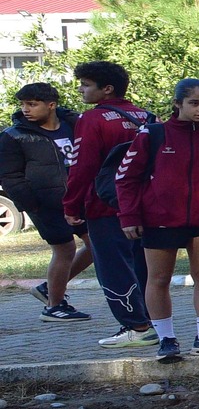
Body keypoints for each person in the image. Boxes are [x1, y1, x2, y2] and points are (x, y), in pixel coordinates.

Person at [117, 77, 199, 363]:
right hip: (158, 219)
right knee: (158, 279)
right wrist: (129, 215)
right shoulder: (153, 134)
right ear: (177, 104)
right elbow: (126, 178)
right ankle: (166, 339)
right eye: (194, 103)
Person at [62, 61, 156, 346]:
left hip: (104, 206)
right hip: (143, 204)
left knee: (113, 266)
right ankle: (154, 324)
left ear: (107, 89)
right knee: (144, 265)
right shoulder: (147, 116)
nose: (81, 89)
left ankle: (137, 327)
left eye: (86, 84)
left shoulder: (92, 119)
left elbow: (82, 167)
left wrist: (71, 205)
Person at [2, 82, 93, 321]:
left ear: (51, 105)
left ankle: (49, 288)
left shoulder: (74, 125)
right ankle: (54, 306)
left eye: (32, 104)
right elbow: (10, 176)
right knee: (64, 249)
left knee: (96, 244)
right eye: (23, 104)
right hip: (44, 204)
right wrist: (30, 204)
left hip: (78, 199)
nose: (25, 110)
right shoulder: (14, 136)